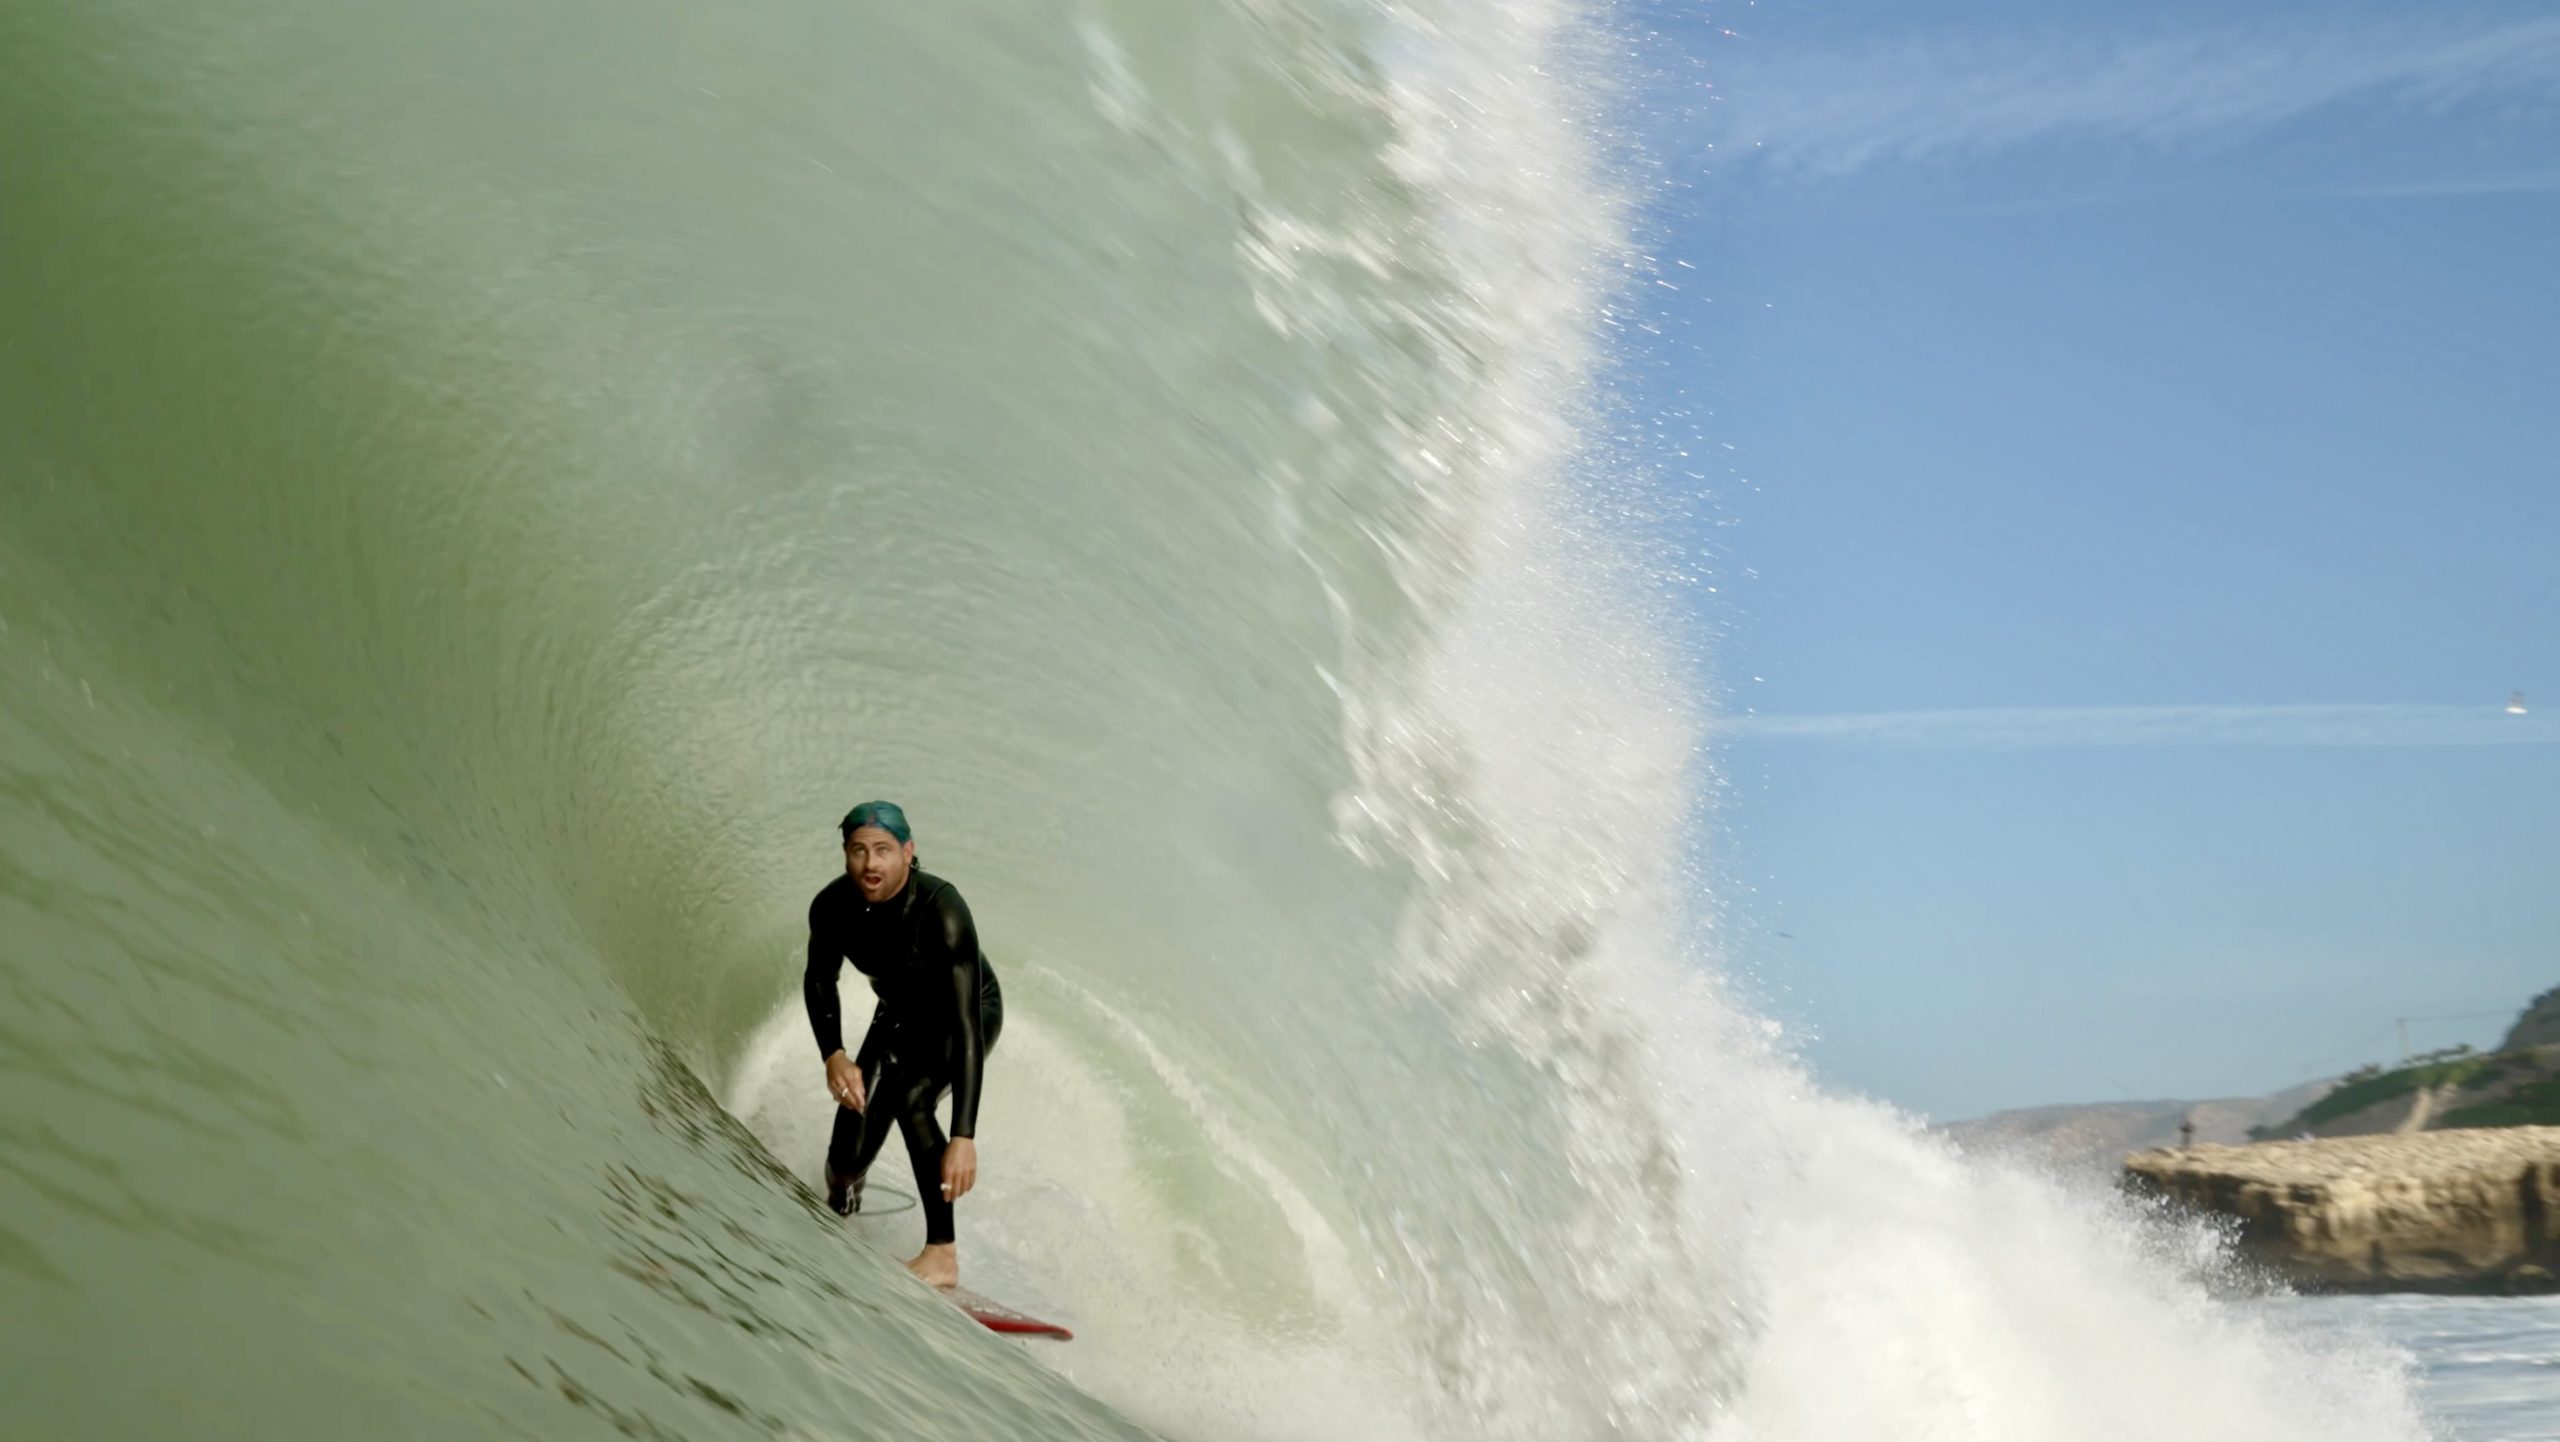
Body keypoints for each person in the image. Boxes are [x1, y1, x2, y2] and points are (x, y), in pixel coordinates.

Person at [803, 800, 1003, 1288]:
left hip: (967, 1015)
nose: (871, 864)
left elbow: (965, 1027)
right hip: (897, 1015)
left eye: (883, 851)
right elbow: (818, 981)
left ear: (908, 852)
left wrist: (963, 1136)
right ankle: (841, 1214)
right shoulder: (832, 907)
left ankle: (942, 1255)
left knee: (911, 1098)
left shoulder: (943, 910)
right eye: (858, 851)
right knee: (843, 1165)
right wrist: (834, 1054)